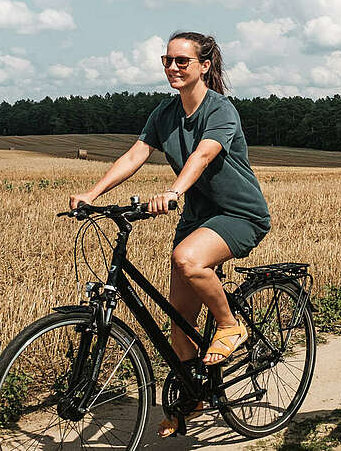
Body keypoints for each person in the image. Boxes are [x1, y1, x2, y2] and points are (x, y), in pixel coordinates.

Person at [68, 31, 272, 437]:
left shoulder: (221, 110)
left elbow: (204, 153)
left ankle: (230, 325)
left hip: (239, 214)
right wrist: (92, 194)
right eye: (167, 60)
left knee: (187, 259)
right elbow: (136, 153)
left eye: (182, 61)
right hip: (197, 217)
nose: (173, 68)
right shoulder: (164, 113)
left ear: (204, 66)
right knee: (179, 323)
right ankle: (194, 395)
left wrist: (174, 191)